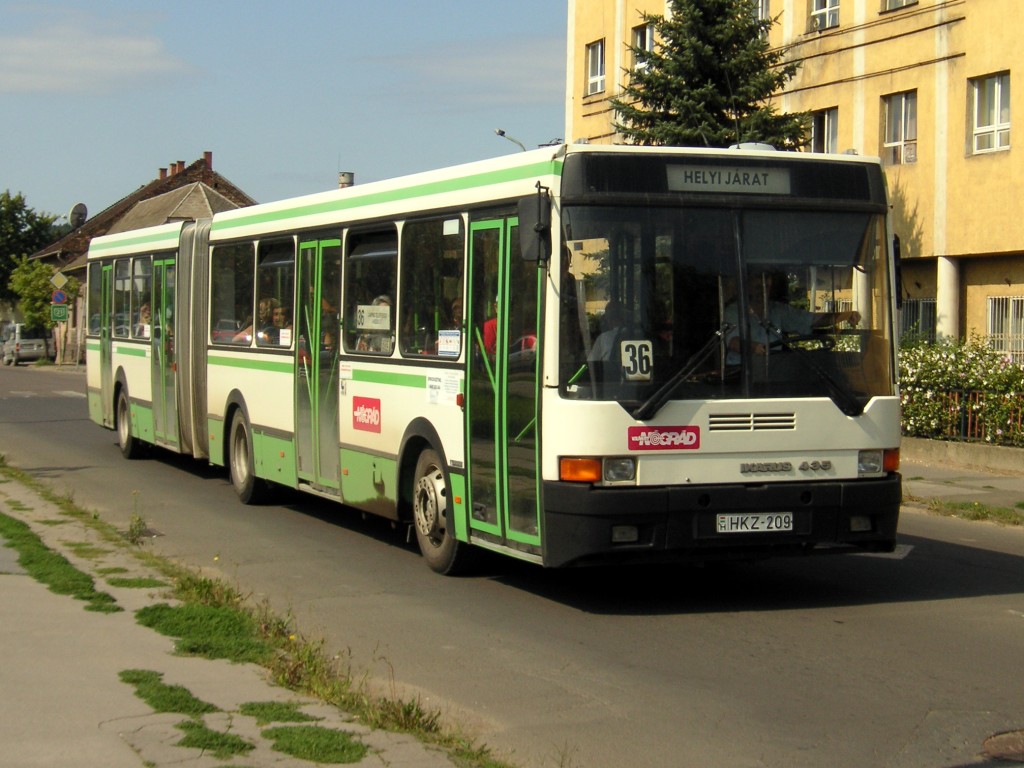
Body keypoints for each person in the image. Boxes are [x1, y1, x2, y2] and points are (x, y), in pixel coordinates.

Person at [723, 271, 860, 365]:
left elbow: (811, 321)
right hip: (740, 372)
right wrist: (755, 348)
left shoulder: (778, 310)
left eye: (767, 286)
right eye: (759, 286)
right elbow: (734, 343)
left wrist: (844, 315)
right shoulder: (734, 311)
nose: (763, 290)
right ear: (748, 287)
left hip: (772, 369)